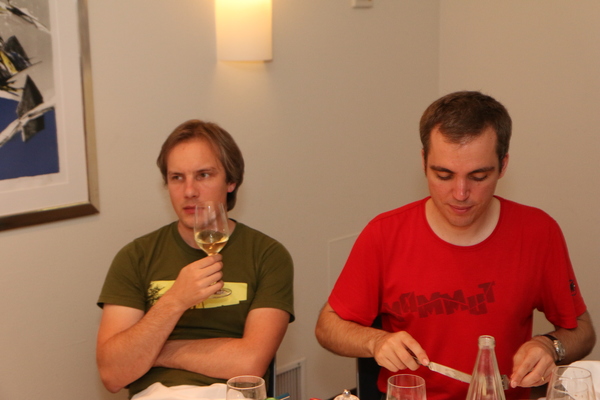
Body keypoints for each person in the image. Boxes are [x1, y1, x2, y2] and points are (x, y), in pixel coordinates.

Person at [315, 91, 595, 400]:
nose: (460, 193)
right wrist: (375, 341)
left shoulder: (539, 232)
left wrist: (550, 346)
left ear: (503, 165)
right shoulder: (384, 234)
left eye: (478, 176)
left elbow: (583, 331)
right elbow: (328, 326)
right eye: (444, 175)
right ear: (423, 162)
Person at [97, 119, 294, 399]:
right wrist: (175, 300)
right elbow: (113, 373)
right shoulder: (136, 256)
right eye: (177, 177)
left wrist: (155, 351)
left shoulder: (267, 255)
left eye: (203, 175)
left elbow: (249, 363)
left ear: (231, 181)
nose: (189, 191)